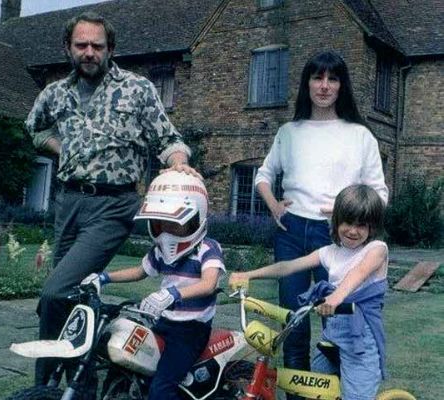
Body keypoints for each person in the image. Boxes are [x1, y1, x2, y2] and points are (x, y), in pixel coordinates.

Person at [25, 11, 199, 384]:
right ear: (68, 48)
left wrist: (179, 163)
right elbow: (34, 128)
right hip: (68, 202)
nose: (89, 52)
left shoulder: (137, 89)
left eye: (97, 46)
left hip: (113, 206)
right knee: (71, 298)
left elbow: (168, 139)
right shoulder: (55, 93)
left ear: (110, 49)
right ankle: (70, 386)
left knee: (55, 293)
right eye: (81, 45)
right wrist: (61, 149)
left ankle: (44, 387)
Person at [254, 50, 388, 399]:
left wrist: (346, 210)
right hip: (291, 234)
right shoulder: (289, 132)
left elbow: (380, 193)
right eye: (317, 78)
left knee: (339, 326)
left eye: (333, 78)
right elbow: (263, 176)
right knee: (293, 325)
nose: (324, 86)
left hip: (338, 240)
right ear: (307, 84)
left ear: (342, 86)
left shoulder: (360, 135)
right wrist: (274, 206)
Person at [230, 184, 388, 400]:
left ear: (372, 227)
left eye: (361, 225)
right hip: (332, 338)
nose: (353, 230)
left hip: (359, 341)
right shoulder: (330, 252)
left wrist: (335, 297)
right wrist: (249, 274)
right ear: (337, 221)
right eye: (348, 222)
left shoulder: (376, 249)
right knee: (315, 391)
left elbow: (358, 273)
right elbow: (288, 266)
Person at [82, 171, 226, 400]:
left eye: (175, 222)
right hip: (163, 322)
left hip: (191, 330)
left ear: (194, 219)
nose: (167, 229)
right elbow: (140, 271)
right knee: (129, 366)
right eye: (161, 222)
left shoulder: (208, 249)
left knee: (161, 389)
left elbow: (209, 284)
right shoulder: (160, 250)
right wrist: (104, 277)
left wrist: (173, 294)